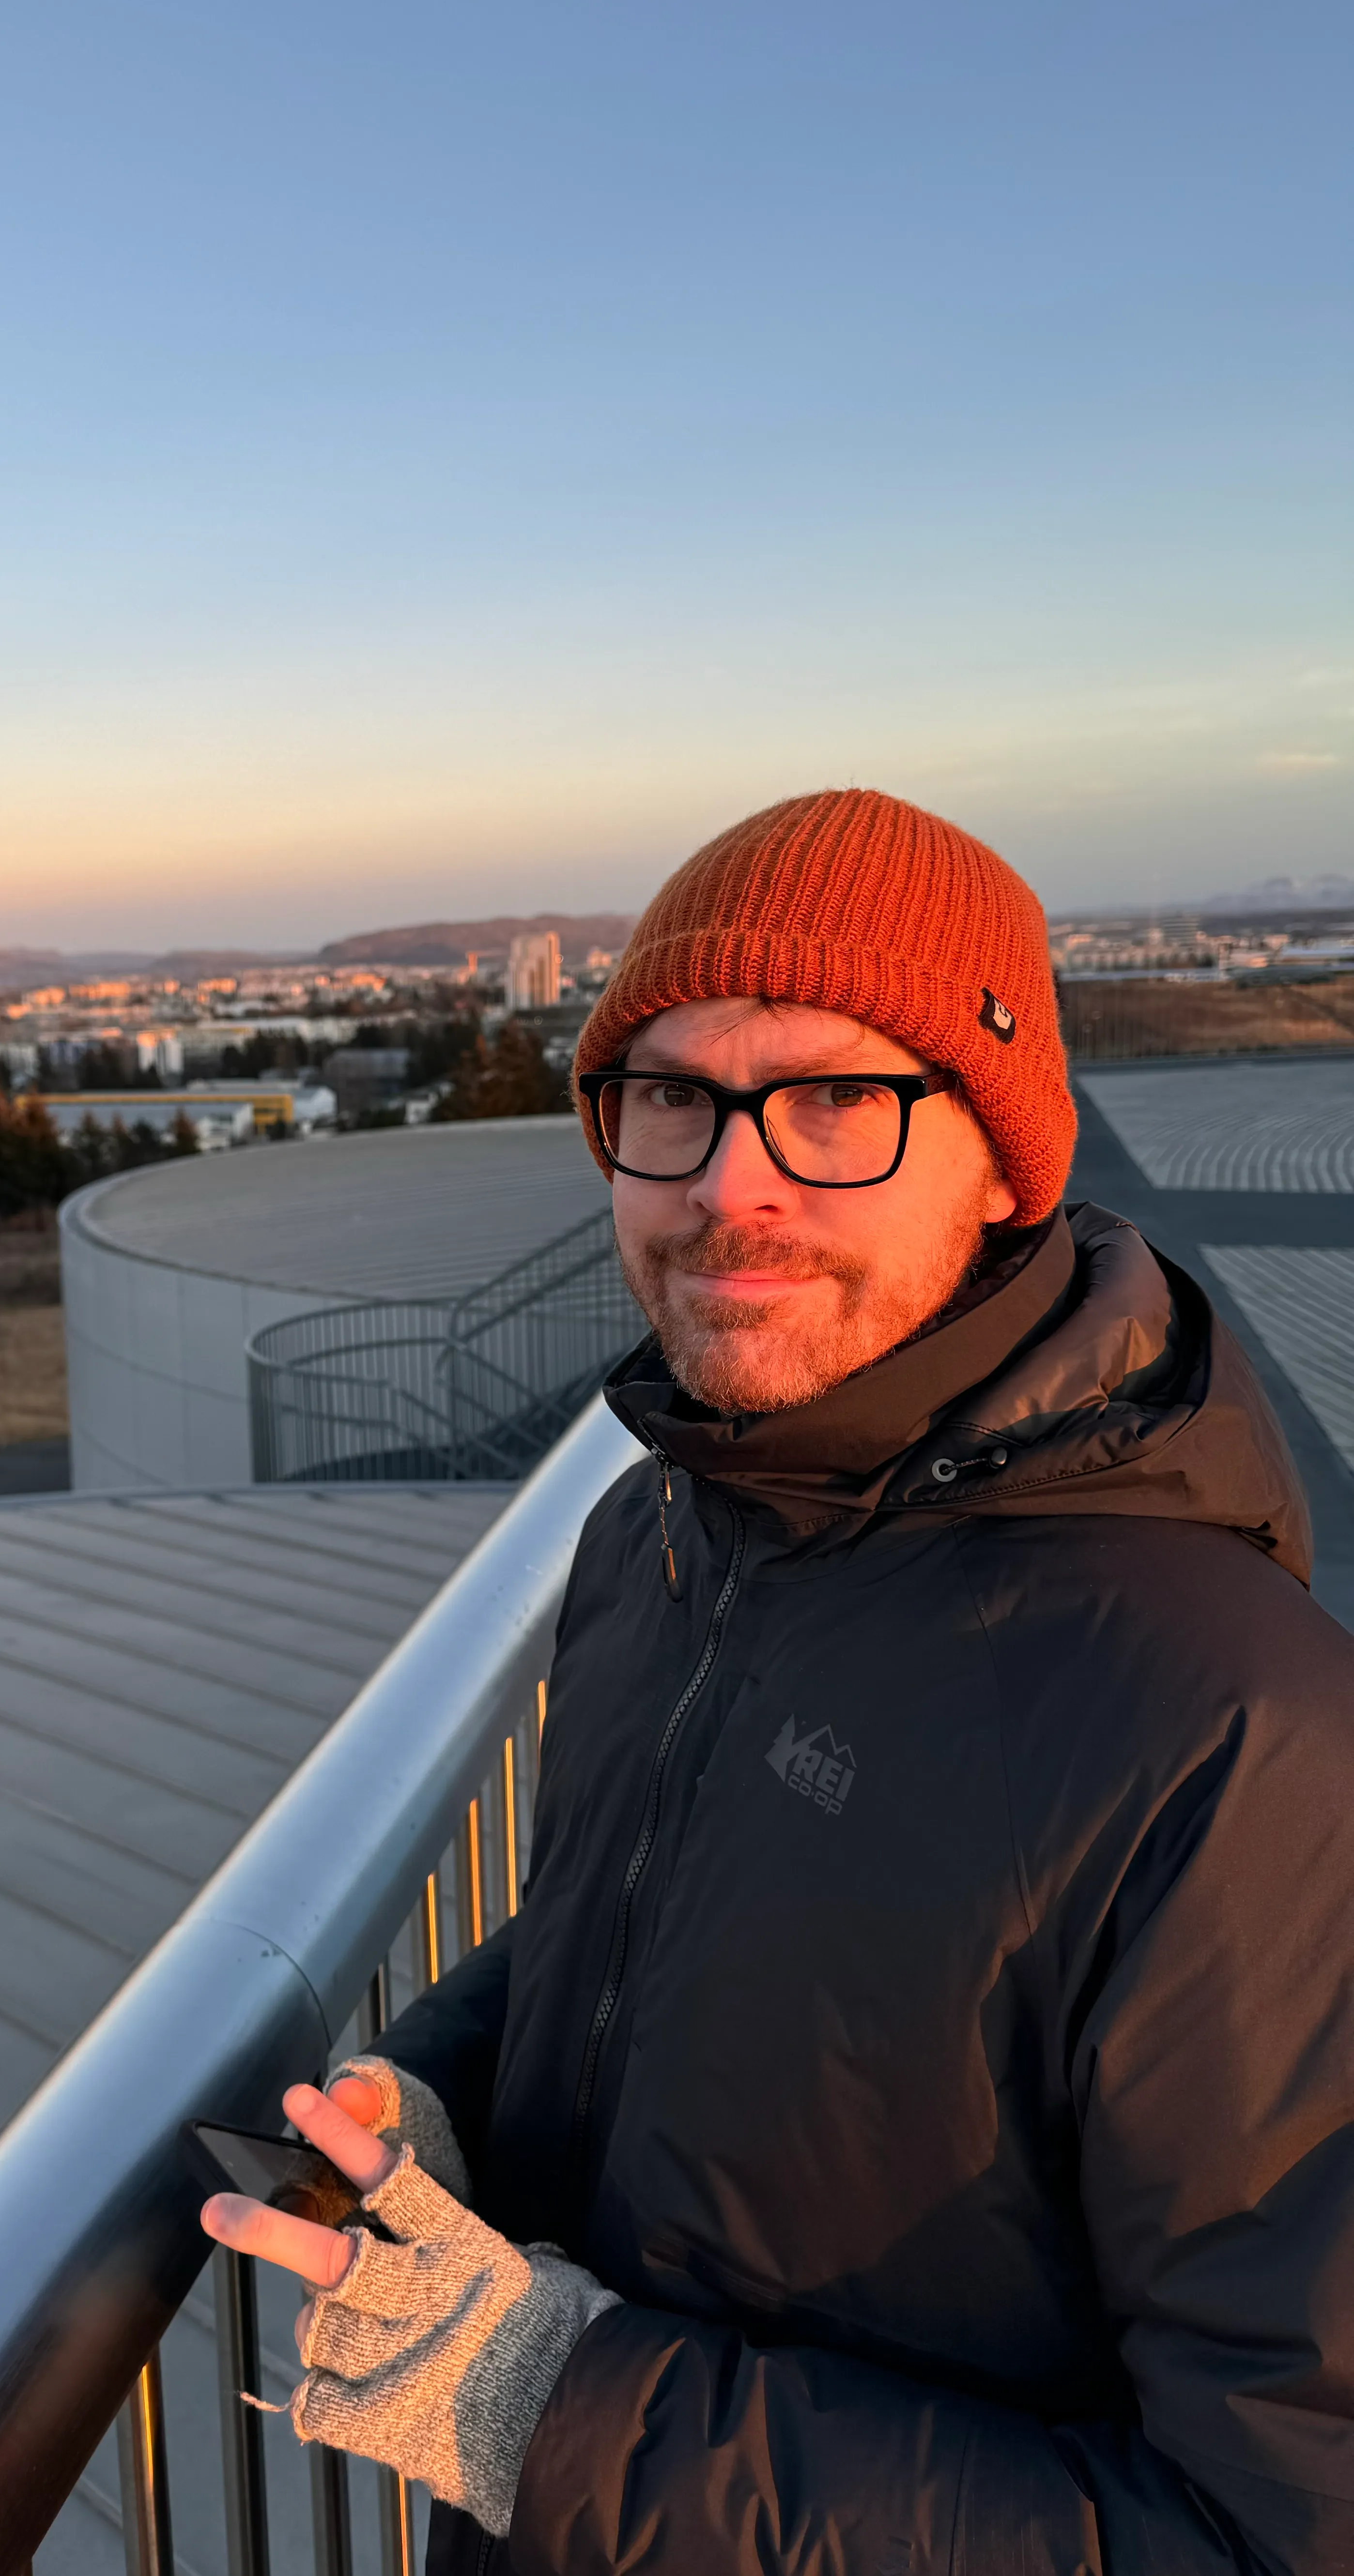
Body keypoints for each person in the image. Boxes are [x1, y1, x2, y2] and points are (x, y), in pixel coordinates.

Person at [202, 788, 1354, 2574]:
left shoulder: (1233, 1742)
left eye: (835, 1098)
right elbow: (668, 1924)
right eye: (669, 1095)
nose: (731, 1185)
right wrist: (442, 2101)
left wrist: (544, 2406)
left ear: (1002, 1161)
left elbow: (1276, 2531)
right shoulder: (664, 1537)